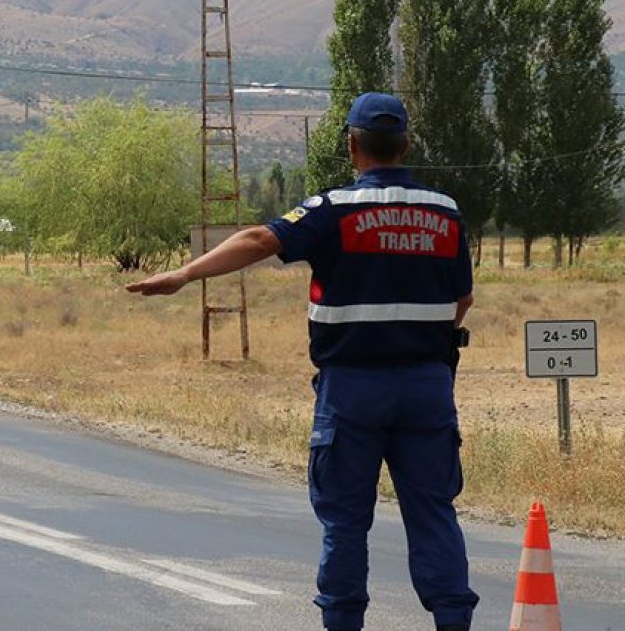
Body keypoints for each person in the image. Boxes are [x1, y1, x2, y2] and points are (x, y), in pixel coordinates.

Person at [126, 92, 478, 631]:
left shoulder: (334, 210)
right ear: (405, 143)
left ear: (351, 145)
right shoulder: (445, 211)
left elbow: (259, 239)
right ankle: (454, 621)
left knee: (345, 522)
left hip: (352, 388)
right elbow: (463, 300)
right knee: (433, 514)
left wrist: (184, 274)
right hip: (427, 387)